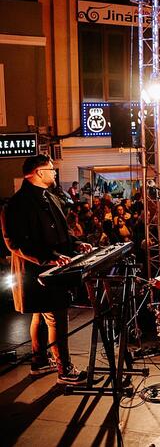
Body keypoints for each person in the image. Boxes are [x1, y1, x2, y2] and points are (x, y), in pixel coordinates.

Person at [0, 155, 90, 384]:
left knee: (41, 315)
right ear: (39, 172)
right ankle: (65, 370)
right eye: (51, 169)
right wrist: (48, 258)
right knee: (56, 316)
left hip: (54, 268)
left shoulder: (49, 197)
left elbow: (61, 230)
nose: (54, 173)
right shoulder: (16, 204)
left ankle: (39, 362)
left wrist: (76, 243)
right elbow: (14, 242)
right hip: (36, 272)